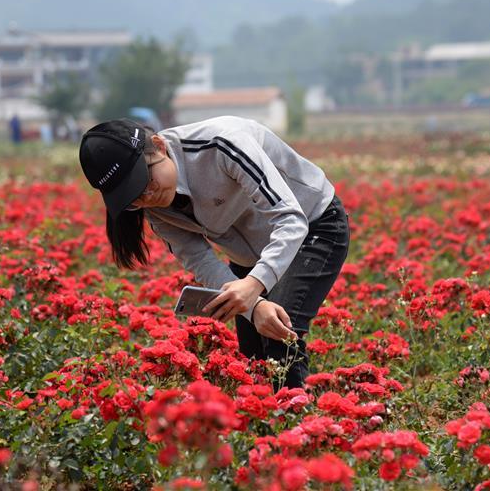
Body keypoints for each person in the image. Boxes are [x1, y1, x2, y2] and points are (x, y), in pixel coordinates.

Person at [79, 116, 349, 389]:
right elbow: (199, 258)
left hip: (313, 225)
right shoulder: (149, 208)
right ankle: (267, 430)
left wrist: (255, 285)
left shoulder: (220, 144)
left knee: (280, 337)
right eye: (133, 195)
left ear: (159, 147)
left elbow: (290, 218)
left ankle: (300, 427)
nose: (147, 196)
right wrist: (254, 305)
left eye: (146, 179)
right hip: (248, 257)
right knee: (252, 363)